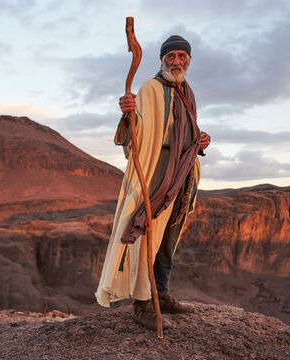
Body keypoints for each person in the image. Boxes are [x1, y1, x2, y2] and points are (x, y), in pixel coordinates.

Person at [95, 35, 210, 330]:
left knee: (169, 238)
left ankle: (162, 292)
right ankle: (143, 304)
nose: (176, 61)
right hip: (158, 171)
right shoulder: (150, 88)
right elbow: (142, 131)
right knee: (148, 233)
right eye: (170, 56)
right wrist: (128, 113)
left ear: (189, 60)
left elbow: (183, 130)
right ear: (161, 59)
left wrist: (199, 141)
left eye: (181, 56)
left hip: (182, 174)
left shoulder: (188, 92)